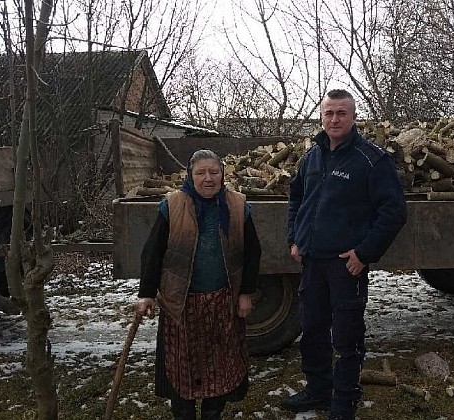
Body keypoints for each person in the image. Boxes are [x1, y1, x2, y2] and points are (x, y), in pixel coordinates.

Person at [282, 89, 407, 420]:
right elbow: (296, 198)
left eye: (341, 113)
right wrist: (295, 238)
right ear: (321, 117)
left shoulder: (371, 159)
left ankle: (344, 402)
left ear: (353, 118)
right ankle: (319, 390)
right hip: (312, 262)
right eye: (328, 113)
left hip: (345, 266)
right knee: (312, 330)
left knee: (347, 336)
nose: (334, 119)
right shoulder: (312, 157)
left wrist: (365, 253)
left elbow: (393, 212)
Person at [135, 149, 261, 420]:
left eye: (213, 172)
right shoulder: (173, 204)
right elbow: (152, 252)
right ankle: (184, 415)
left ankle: (212, 414)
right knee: (181, 368)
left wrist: (246, 293)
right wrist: (146, 294)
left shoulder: (238, 205)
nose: (208, 178)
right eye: (201, 172)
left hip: (222, 304)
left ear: (222, 175)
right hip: (181, 305)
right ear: (190, 176)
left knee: (219, 366)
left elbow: (253, 253)